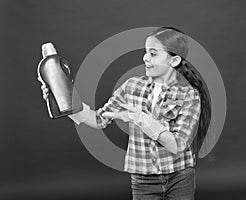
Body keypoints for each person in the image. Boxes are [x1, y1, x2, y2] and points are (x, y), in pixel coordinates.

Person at [39, 27, 211, 200]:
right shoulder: (132, 87)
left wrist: (140, 118)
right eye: (146, 52)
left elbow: (177, 145)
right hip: (143, 181)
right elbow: (97, 120)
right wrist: (63, 97)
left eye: (153, 53)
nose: (145, 58)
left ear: (174, 61)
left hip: (179, 177)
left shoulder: (189, 94)